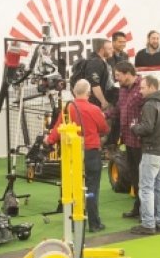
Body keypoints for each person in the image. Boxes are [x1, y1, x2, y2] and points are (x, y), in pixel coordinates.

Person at [47, 79, 110, 232]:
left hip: (72, 153)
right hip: (91, 152)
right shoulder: (94, 109)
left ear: (74, 92)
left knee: (74, 187)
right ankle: (94, 223)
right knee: (91, 188)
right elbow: (104, 129)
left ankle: (75, 222)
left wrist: (48, 140)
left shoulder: (68, 109)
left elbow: (57, 128)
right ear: (88, 93)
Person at [133, 74, 160, 235]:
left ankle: (148, 224)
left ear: (152, 87)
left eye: (143, 87)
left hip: (152, 152)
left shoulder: (150, 105)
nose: (140, 91)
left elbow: (147, 128)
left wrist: (134, 128)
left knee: (146, 188)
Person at [113, 60, 147, 218]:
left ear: (127, 74)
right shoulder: (122, 89)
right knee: (134, 175)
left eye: (118, 75)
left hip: (141, 140)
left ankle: (145, 211)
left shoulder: (143, 87)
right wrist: (104, 114)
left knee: (144, 176)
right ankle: (138, 208)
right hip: (128, 140)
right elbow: (119, 108)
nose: (117, 79)